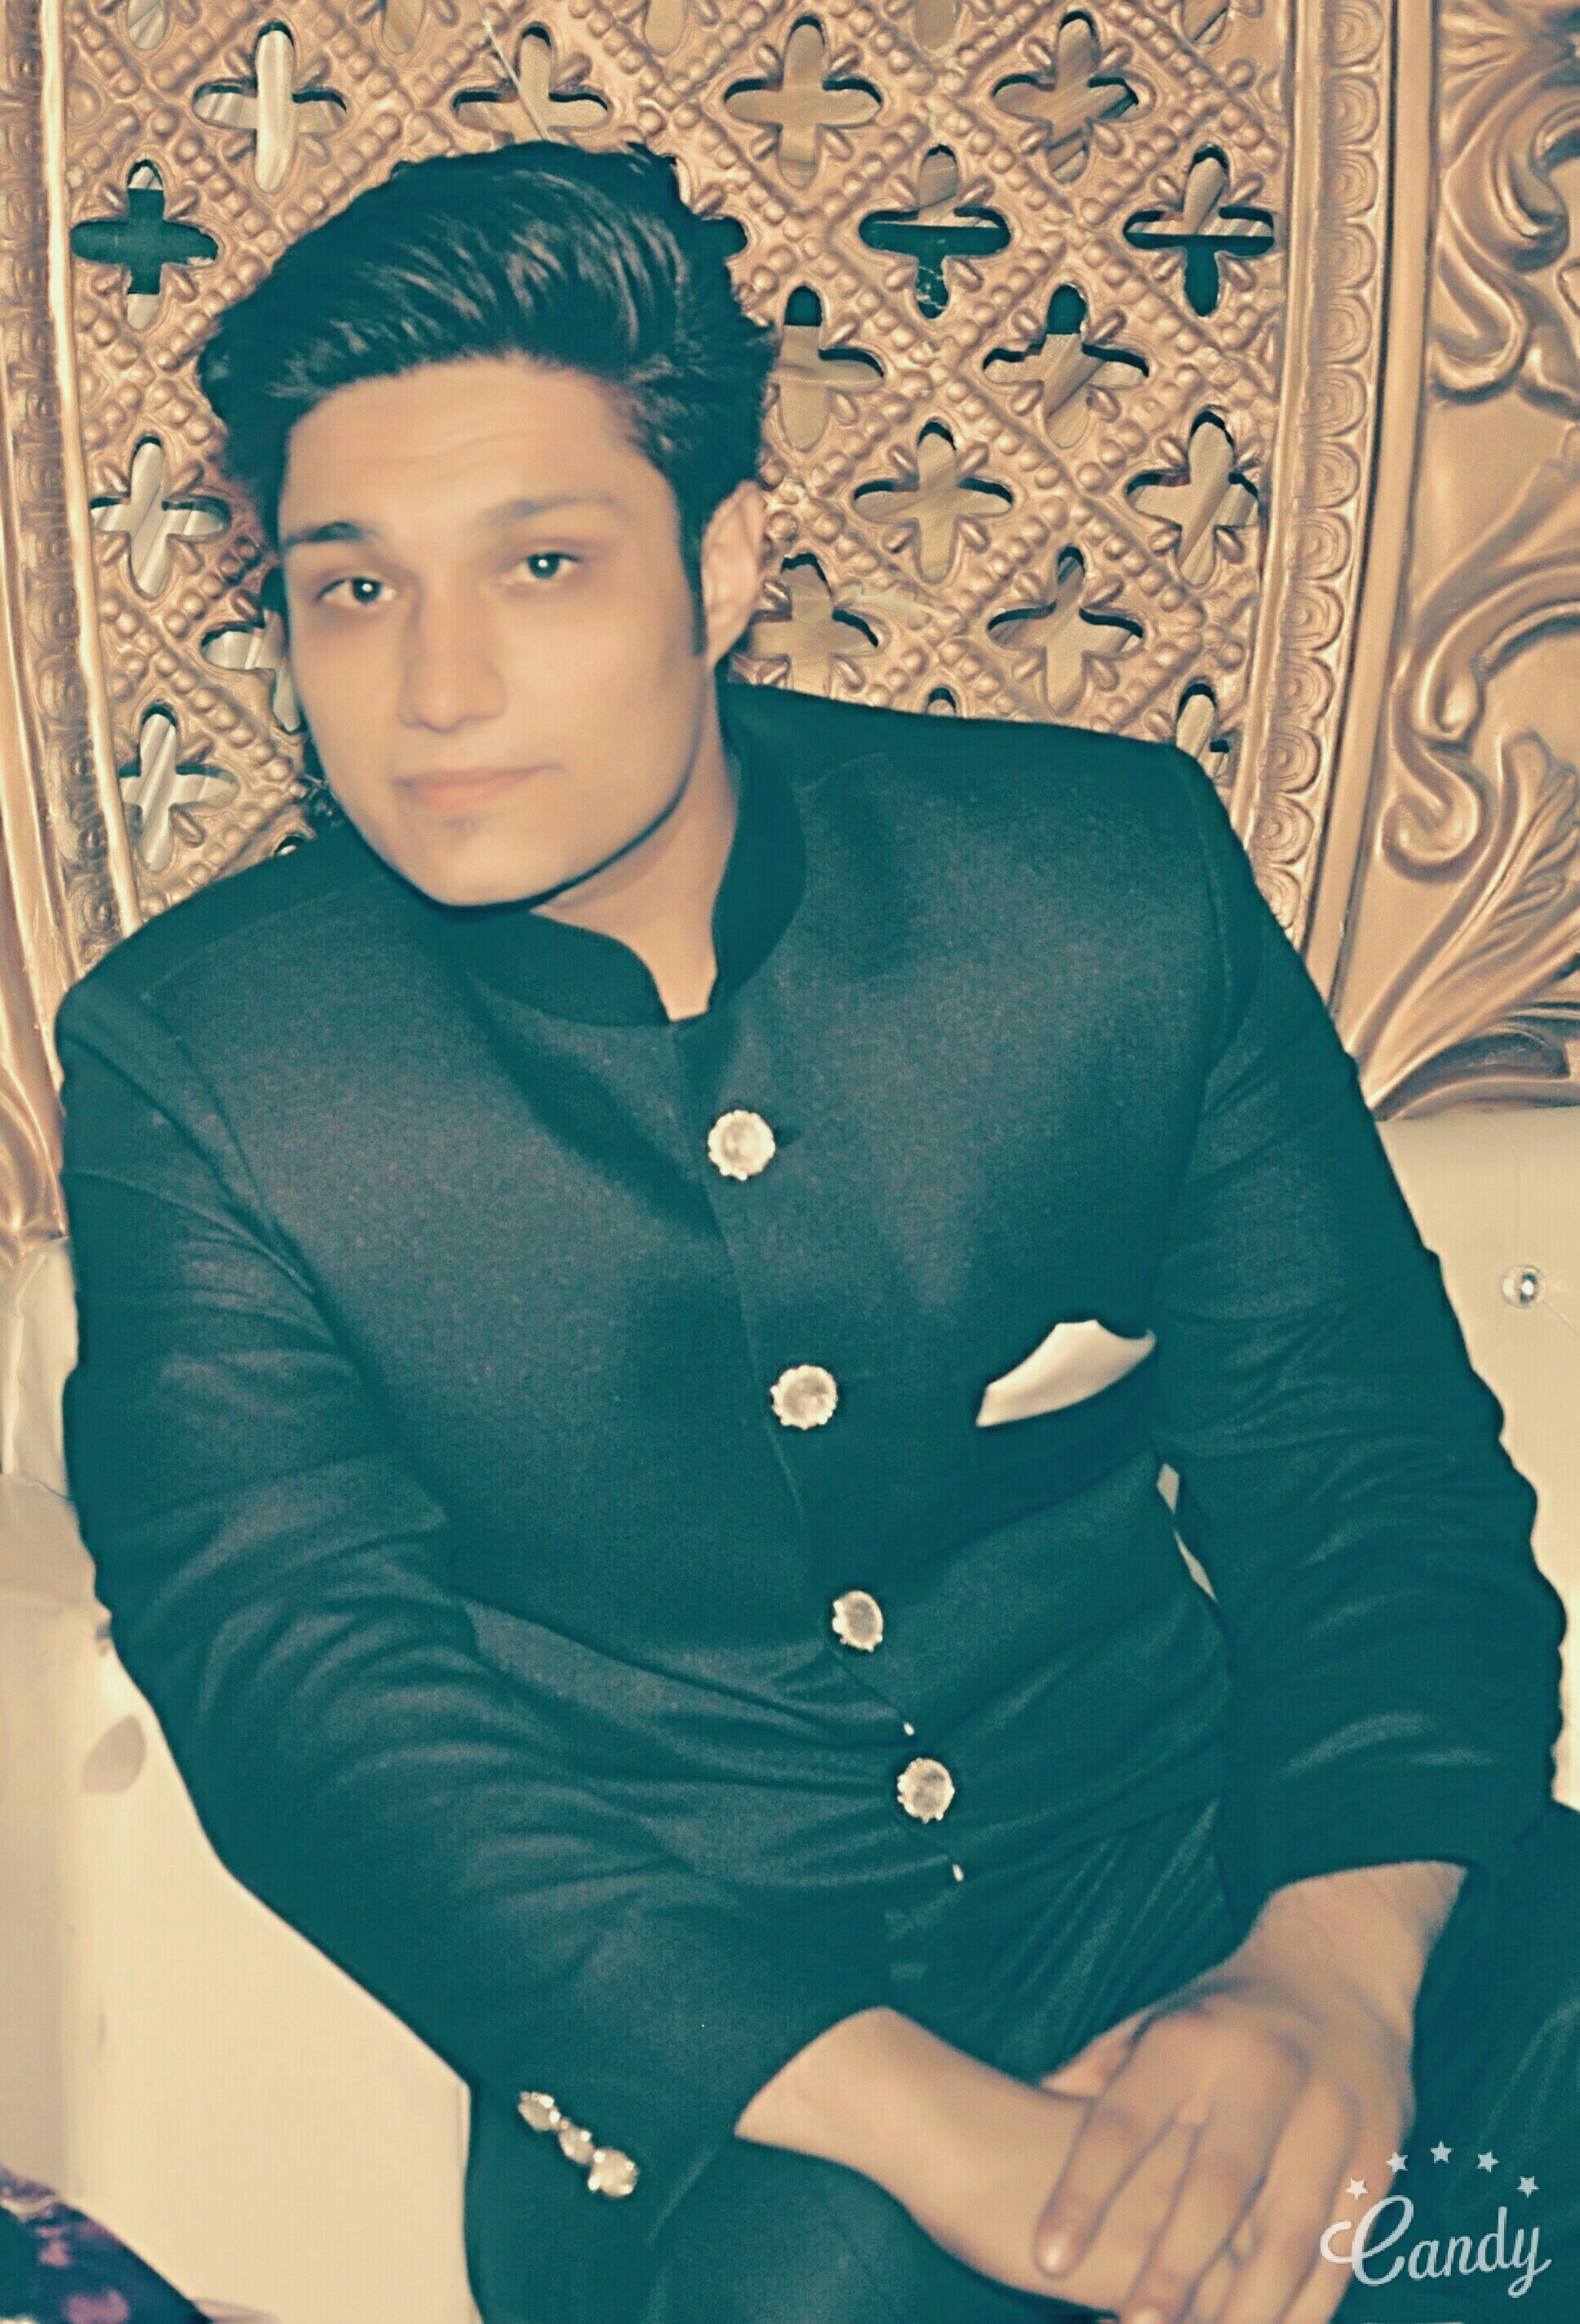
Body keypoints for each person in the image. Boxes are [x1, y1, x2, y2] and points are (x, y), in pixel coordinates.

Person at [52, 139, 1579, 2324]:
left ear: (726, 563)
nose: (437, 688)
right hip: (713, 2059)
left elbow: (1369, 1474)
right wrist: (940, 2129)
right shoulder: (206, 1063)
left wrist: (1331, 1969)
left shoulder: (1101, 887)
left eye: (543, 566)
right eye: (352, 590)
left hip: (1218, 1875)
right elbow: (312, 1699)